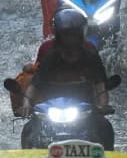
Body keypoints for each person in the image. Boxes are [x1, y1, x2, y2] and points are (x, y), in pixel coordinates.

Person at [19, 9, 115, 149]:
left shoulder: (90, 54)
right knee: (28, 130)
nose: (70, 39)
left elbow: (100, 84)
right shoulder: (50, 55)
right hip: (49, 110)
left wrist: (103, 105)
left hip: (85, 110)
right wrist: (27, 103)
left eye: (74, 34)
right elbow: (35, 84)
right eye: (66, 35)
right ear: (58, 34)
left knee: (105, 128)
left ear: (81, 33)